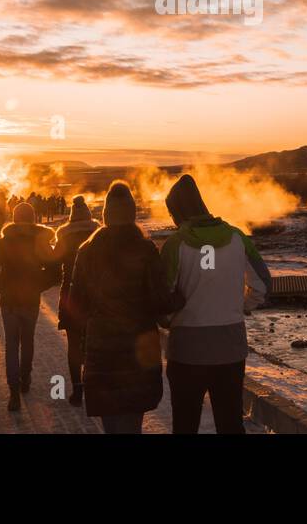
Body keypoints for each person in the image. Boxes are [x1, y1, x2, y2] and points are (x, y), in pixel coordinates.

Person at [160, 174, 270, 434]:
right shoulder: (237, 238)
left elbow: (162, 299)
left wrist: (169, 321)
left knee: (185, 425)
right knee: (230, 423)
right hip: (230, 349)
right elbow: (262, 286)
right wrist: (241, 306)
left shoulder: (175, 245)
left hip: (187, 351)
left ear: (178, 211)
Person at [71, 182, 182, 433]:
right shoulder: (145, 250)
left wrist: (83, 343)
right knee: (132, 423)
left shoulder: (87, 251)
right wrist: (181, 298)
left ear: (106, 215)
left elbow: (76, 304)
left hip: (102, 352)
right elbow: (160, 302)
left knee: (112, 425)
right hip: (138, 353)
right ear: (131, 213)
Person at [0, 202, 58, 412]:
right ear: (32, 219)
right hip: (30, 301)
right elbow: (55, 273)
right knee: (28, 340)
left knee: (12, 345)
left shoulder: (4, 243)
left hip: (9, 303)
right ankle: (25, 379)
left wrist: (3, 288)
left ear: (14, 219)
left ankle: (14, 393)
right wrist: (37, 286)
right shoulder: (40, 243)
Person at [52, 195, 100, 405]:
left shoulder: (63, 235)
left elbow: (54, 261)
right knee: (92, 342)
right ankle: (92, 386)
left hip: (70, 295)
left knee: (73, 344)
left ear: (71, 214)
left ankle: (77, 390)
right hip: (95, 295)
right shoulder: (97, 233)